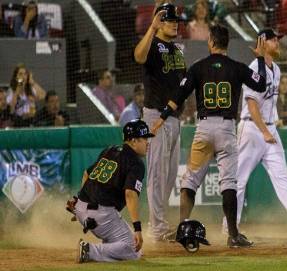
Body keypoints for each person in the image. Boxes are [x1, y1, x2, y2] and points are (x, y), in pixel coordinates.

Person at [152, 24, 268, 248]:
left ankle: (182, 229)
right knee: (229, 184)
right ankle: (233, 235)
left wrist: (163, 116)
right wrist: (261, 59)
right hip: (226, 129)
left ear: (212, 42)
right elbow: (261, 84)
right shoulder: (237, 67)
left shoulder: (198, 67)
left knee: (190, 181)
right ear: (227, 43)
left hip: (204, 129)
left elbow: (179, 94)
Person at [222, 28, 287, 234]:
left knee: (282, 176)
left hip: (269, 129)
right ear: (263, 43)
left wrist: (271, 127)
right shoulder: (254, 68)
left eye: (278, 40)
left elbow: (268, 104)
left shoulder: (276, 69)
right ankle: (229, 227)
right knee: (239, 180)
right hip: (251, 129)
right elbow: (252, 104)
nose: (278, 43)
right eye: (274, 40)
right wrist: (265, 130)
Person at [134, 3, 186, 242]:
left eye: (176, 20)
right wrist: (152, 29)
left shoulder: (177, 50)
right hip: (156, 117)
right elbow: (138, 56)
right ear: (159, 22)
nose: (175, 23)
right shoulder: (153, 44)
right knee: (157, 174)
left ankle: (158, 223)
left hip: (174, 119)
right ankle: (157, 230)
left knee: (170, 175)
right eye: (169, 20)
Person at [71, 119, 154, 263]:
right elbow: (130, 194)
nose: (148, 142)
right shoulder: (136, 163)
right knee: (133, 249)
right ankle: (89, 251)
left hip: (80, 208)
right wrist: (138, 229)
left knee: (121, 240)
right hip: (101, 215)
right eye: (144, 138)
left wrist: (80, 206)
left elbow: (86, 174)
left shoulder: (110, 150)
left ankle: (107, 249)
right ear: (133, 141)